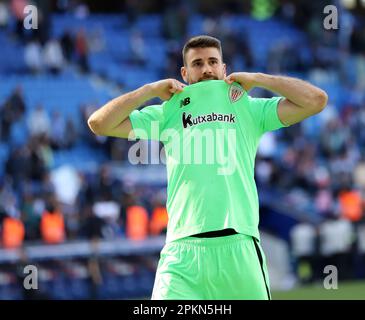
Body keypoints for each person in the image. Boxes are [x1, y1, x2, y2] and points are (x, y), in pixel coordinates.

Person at [87, 35, 328, 300]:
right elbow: (99, 124)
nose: (206, 69)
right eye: (197, 63)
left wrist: (259, 79)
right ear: (184, 72)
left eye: (213, 62)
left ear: (224, 68)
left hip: (239, 246)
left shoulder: (248, 107)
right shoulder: (168, 111)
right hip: (182, 252)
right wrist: (150, 90)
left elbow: (316, 100)